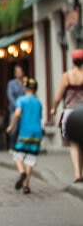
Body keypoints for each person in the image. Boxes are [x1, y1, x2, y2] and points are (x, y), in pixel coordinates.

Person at [50, 48, 83, 183]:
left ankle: (77, 173)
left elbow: (58, 96)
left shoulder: (67, 76)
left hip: (70, 113)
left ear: (72, 60)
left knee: (74, 144)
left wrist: (54, 108)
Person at [6, 77, 42, 194]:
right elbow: (40, 116)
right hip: (37, 132)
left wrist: (11, 126)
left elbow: (17, 113)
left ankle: (22, 172)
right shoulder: (38, 101)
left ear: (25, 88)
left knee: (18, 156)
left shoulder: (21, 100)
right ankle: (26, 185)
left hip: (25, 132)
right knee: (31, 158)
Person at [6, 64, 26, 151]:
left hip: (24, 109)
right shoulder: (11, 84)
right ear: (15, 74)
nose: (19, 74)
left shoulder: (25, 83)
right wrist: (17, 105)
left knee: (22, 127)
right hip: (14, 109)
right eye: (18, 72)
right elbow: (10, 96)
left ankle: (21, 145)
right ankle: (12, 145)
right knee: (13, 127)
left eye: (20, 72)